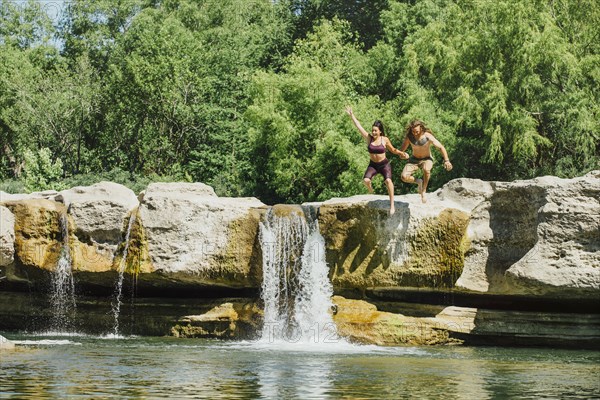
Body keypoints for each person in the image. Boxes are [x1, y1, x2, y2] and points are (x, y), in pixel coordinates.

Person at [345, 106, 405, 215]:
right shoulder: (369, 138)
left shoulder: (384, 139)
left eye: (375, 130)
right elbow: (359, 126)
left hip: (384, 165)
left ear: (380, 131)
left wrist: (401, 153)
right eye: (372, 130)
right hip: (373, 165)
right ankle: (370, 189)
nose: (373, 132)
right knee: (366, 181)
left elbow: (392, 150)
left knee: (388, 181)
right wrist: (351, 115)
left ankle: (392, 205)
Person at [399, 119, 452, 203]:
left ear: (421, 128)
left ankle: (423, 190)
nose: (414, 133)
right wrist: (402, 155)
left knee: (426, 169)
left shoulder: (427, 136)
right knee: (404, 177)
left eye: (416, 131)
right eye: (413, 131)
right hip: (414, 160)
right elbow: (401, 151)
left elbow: (441, 147)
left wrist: (446, 160)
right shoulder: (409, 137)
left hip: (427, 159)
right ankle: (419, 182)